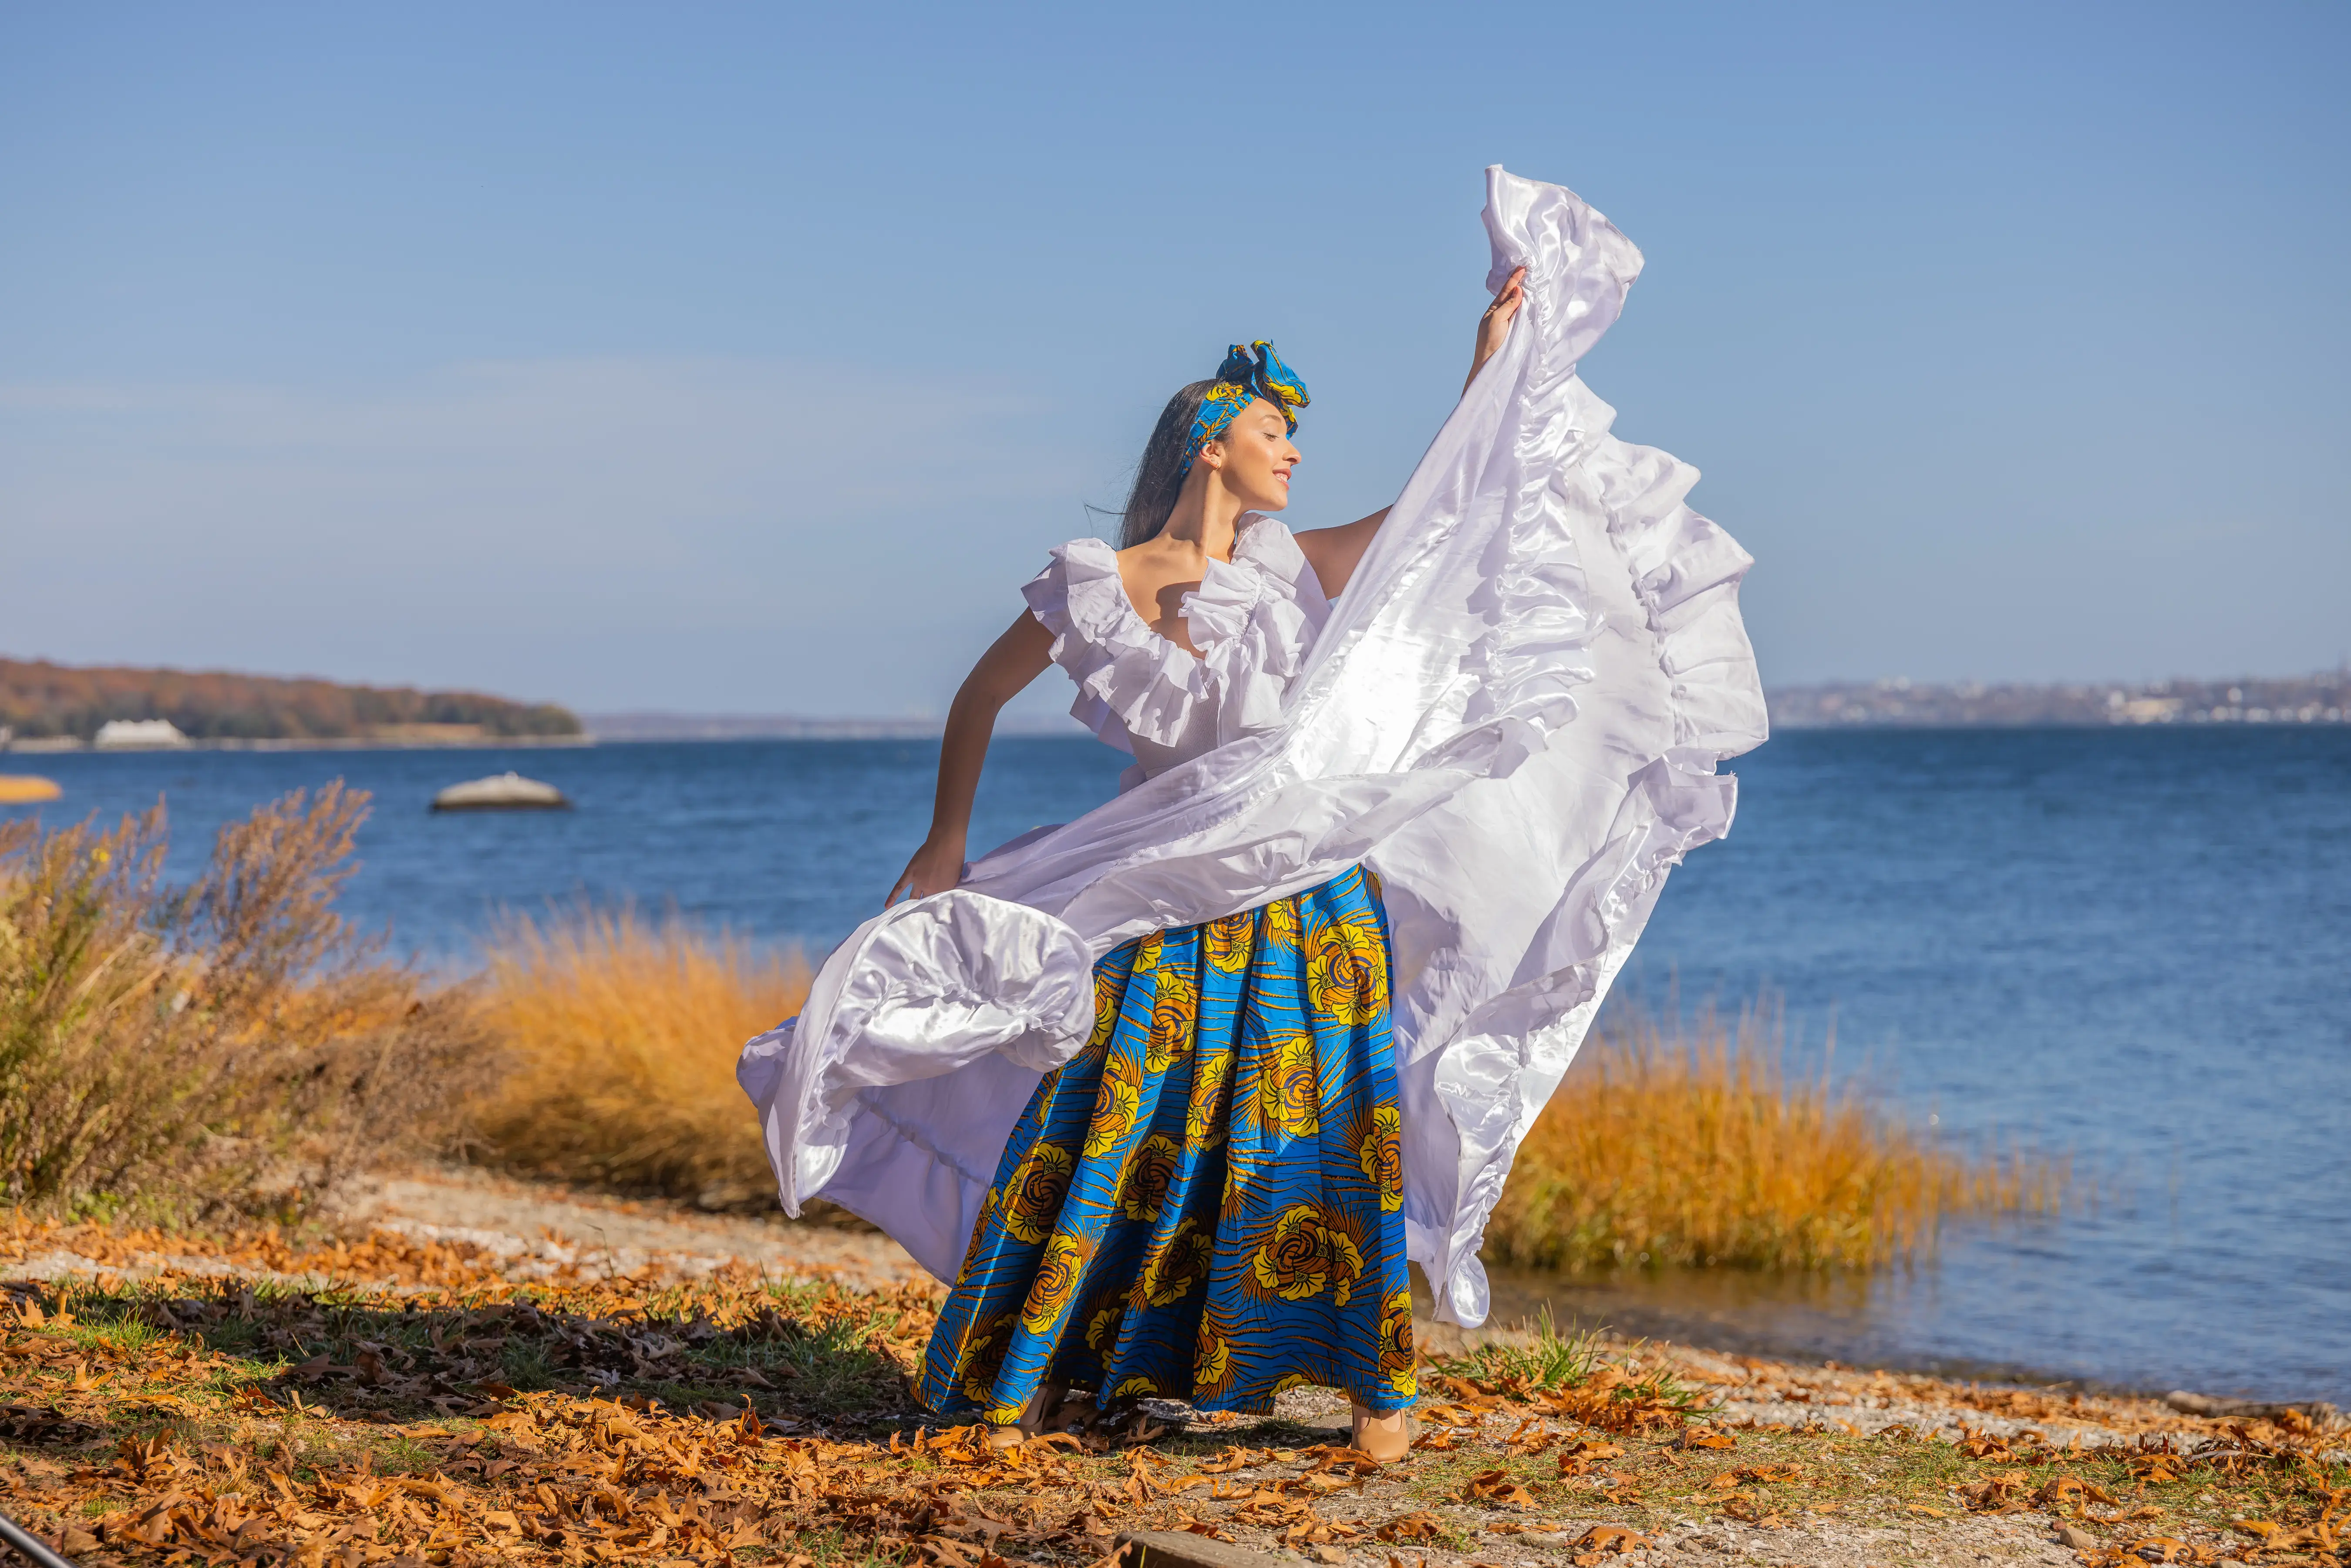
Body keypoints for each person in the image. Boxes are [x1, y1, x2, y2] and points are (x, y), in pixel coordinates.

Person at [740, 167, 1766, 1466]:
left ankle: (1377, 1396)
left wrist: (1487, 372)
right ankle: (1052, 1368)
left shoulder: (1294, 564)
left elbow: (1441, 527)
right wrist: (942, 844)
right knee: (1118, 1123)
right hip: (1171, 902)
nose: (1294, 452)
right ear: (1212, 443)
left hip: (1315, 901)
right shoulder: (1098, 585)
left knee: (1332, 1137)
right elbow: (977, 695)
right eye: (1276, 432)